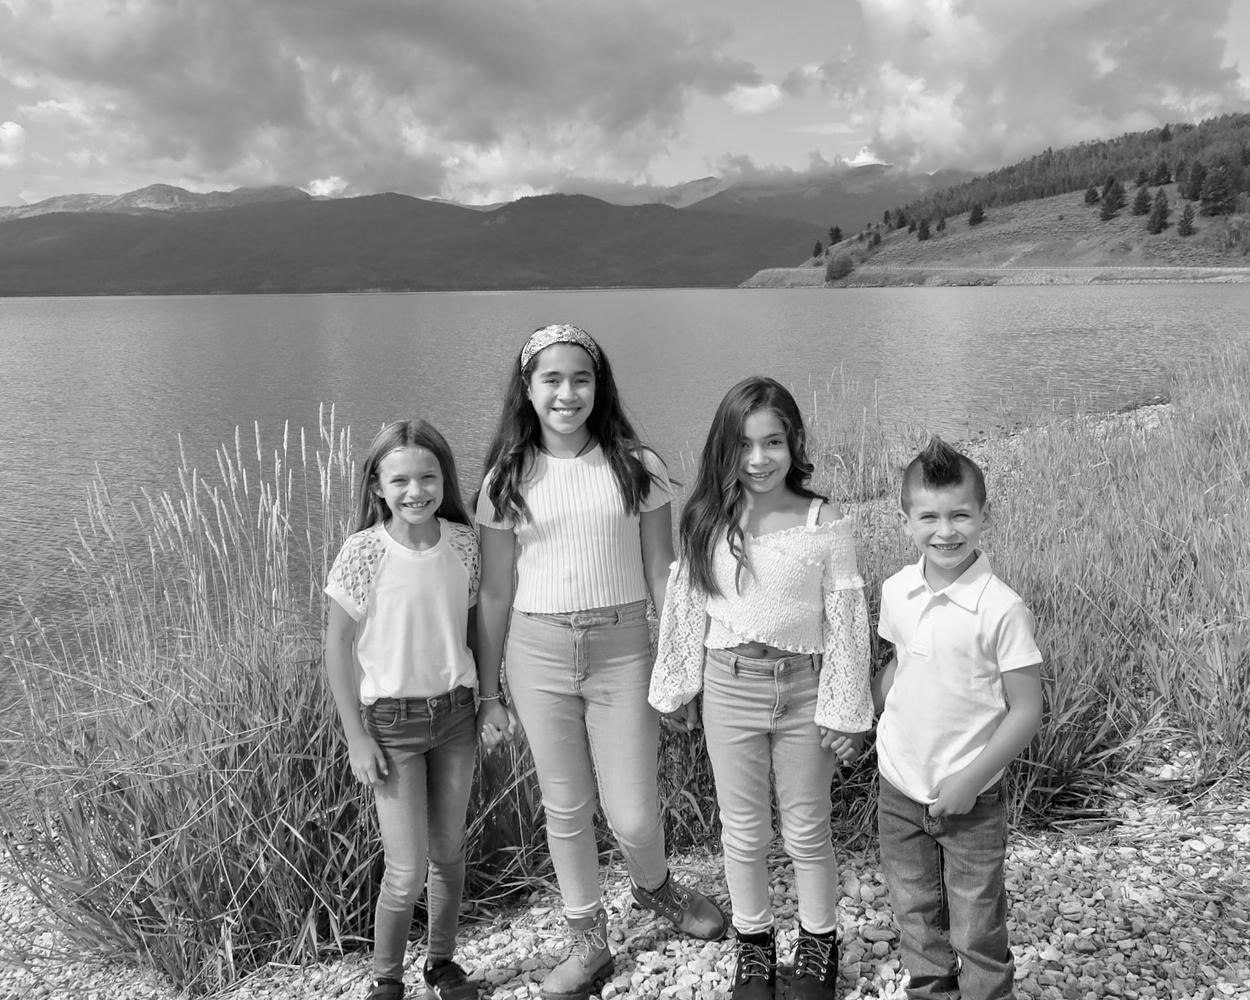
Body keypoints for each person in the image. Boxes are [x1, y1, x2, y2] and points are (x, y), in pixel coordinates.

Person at [475, 323, 728, 1000]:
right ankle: (588, 938)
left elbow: (662, 570)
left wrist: (680, 663)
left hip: (623, 648)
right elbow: (494, 592)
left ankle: (654, 887)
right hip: (536, 651)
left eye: (580, 379)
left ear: (599, 386)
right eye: (551, 380)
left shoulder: (636, 466)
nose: (567, 394)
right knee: (565, 805)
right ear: (527, 389)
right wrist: (488, 692)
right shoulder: (506, 478)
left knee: (633, 813)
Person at [649, 376, 874, 1000]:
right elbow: (687, 607)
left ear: (793, 441)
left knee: (807, 830)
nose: (758, 458)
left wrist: (845, 709)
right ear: (725, 448)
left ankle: (818, 945)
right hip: (729, 689)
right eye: (744, 444)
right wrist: (677, 687)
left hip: (803, 691)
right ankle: (754, 947)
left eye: (772, 442)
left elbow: (846, 620)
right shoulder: (708, 519)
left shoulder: (823, 520)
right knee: (743, 832)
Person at [872, 436, 1043, 1000]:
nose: (945, 531)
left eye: (960, 515)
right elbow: (900, 666)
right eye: (929, 517)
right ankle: (930, 990)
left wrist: (971, 780)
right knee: (914, 914)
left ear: (983, 516)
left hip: (973, 797)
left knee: (976, 924)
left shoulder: (1001, 608)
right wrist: (859, 716)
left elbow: (1027, 709)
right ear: (904, 521)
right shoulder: (896, 591)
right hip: (899, 786)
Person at [324, 420, 485, 1000]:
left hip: (457, 716)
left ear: (445, 479)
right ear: (377, 486)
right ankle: (386, 979)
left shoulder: (462, 543)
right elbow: (336, 646)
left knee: (448, 853)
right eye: (400, 481)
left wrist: (492, 699)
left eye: (428, 477)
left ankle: (441, 964)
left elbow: (473, 627)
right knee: (407, 868)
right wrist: (355, 736)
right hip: (391, 726)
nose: (416, 491)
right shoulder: (364, 552)